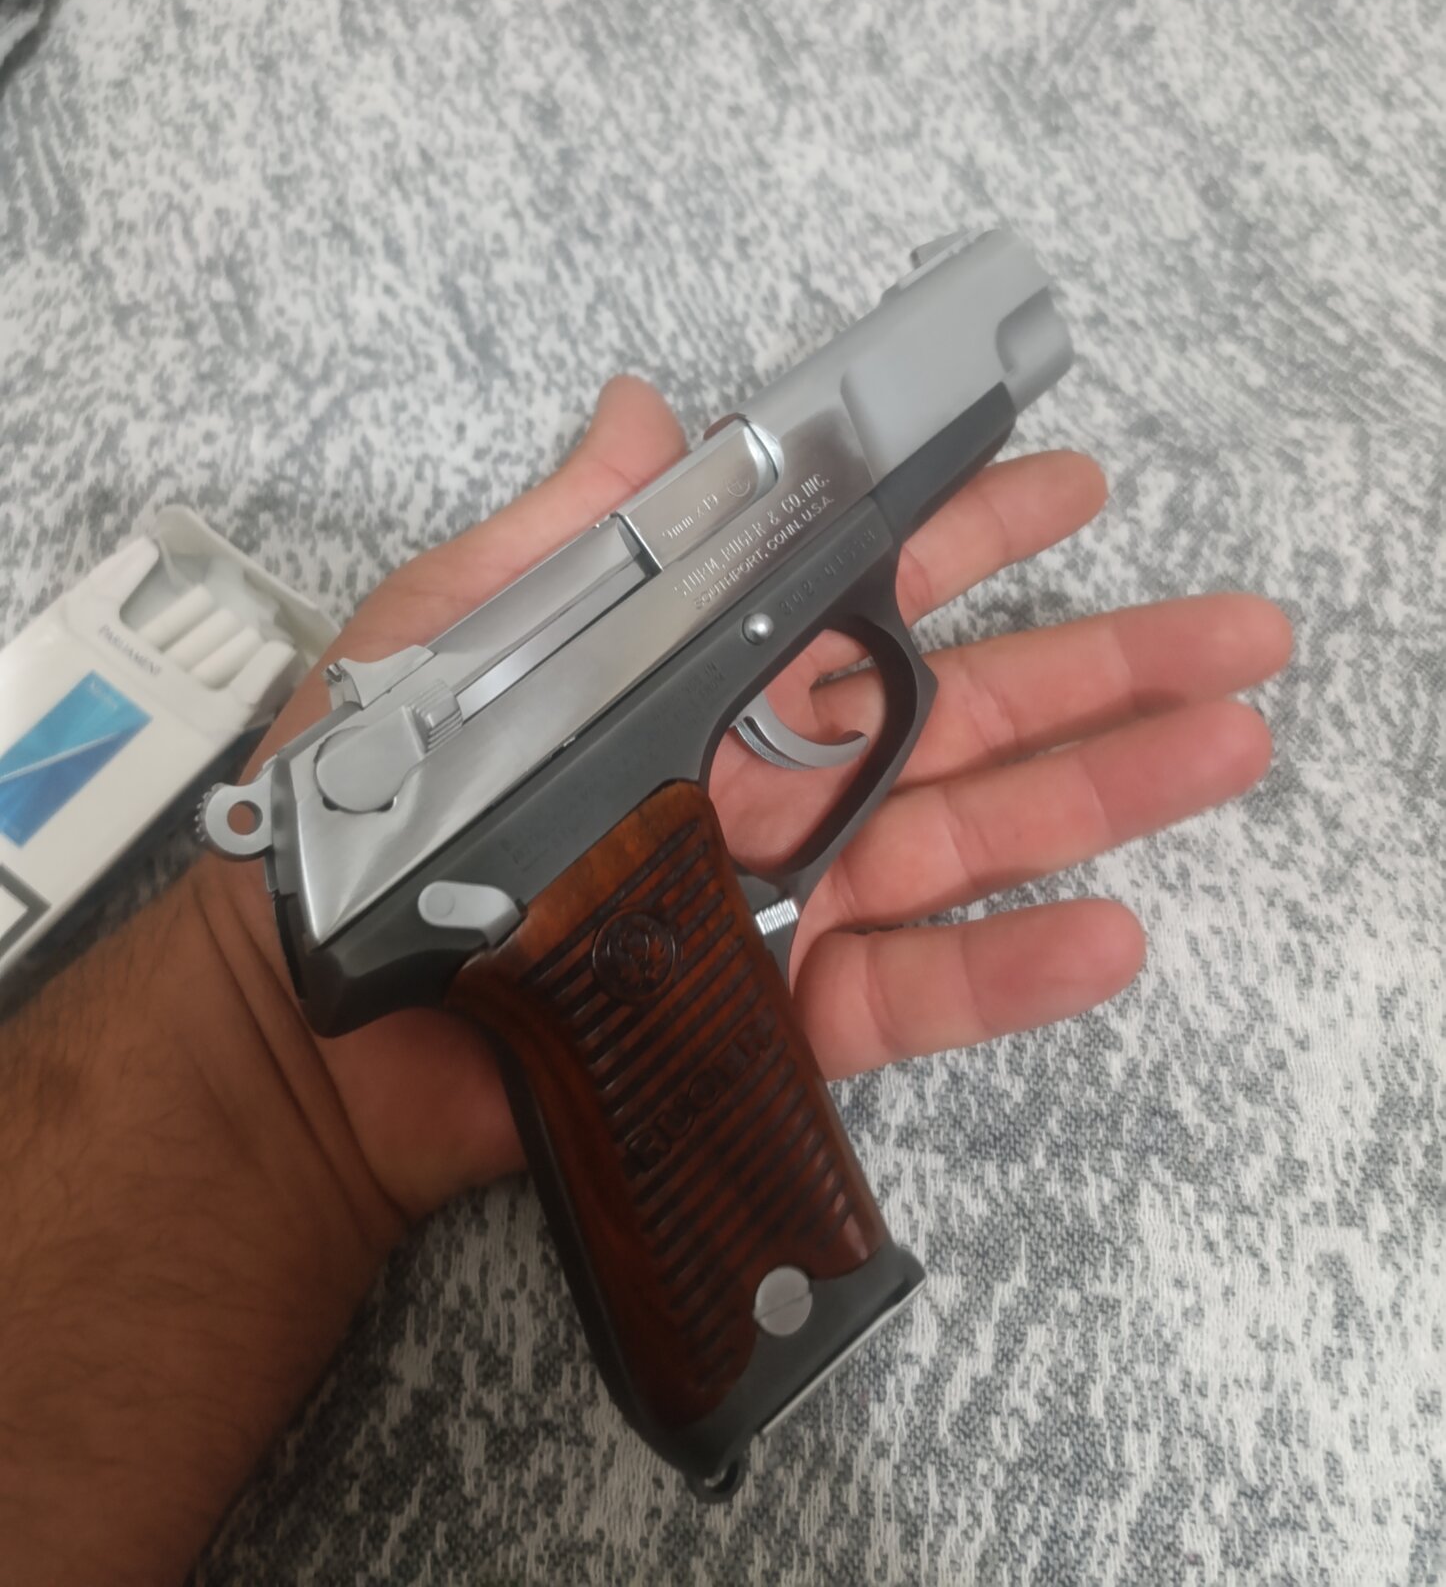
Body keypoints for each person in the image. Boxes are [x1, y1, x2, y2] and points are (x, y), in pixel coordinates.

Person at [0, 377, 1292, 1585]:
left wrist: (246, 1052)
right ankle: (771, 1315)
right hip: (471, 802)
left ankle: (771, 1318)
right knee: (729, 1213)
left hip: (432, 804)